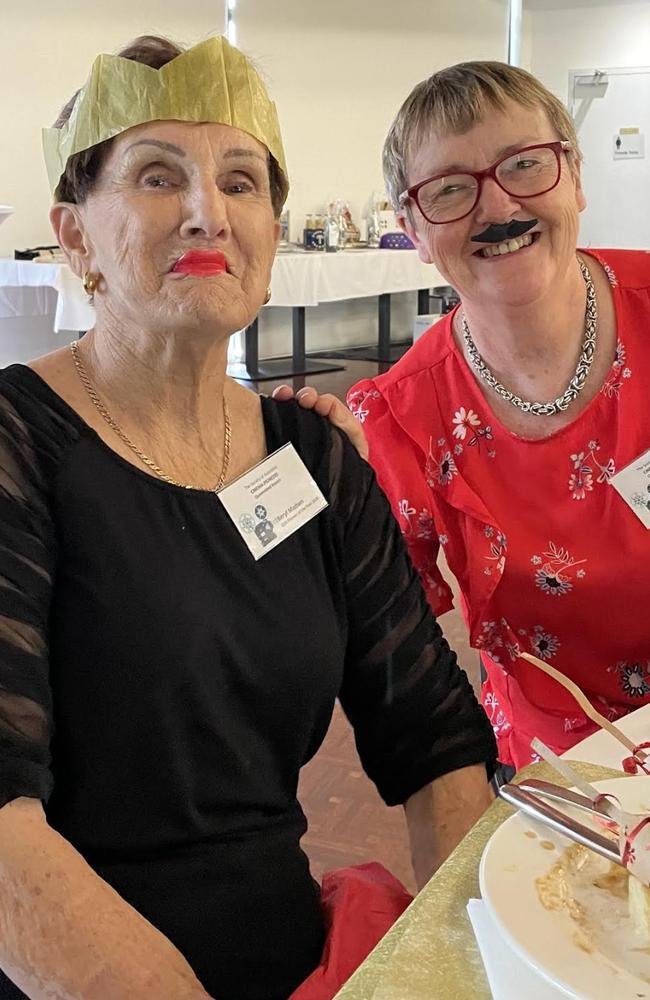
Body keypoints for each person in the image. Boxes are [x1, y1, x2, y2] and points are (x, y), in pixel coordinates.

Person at [0, 36, 497, 1000]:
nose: (207, 212)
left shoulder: (313, 458)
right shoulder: (19, 445)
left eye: (241, 180)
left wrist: (471, 960)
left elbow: (435, 738)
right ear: (73, 233)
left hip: (287, 954)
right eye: (156, 176)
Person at [275, 60, 650, 778]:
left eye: (525, 164)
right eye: (450, 189)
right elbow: (380, 632)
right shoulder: (401, 417)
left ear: (574, 178)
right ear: (413, 229)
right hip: (564, 779)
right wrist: (338, 518)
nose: (498, 206)